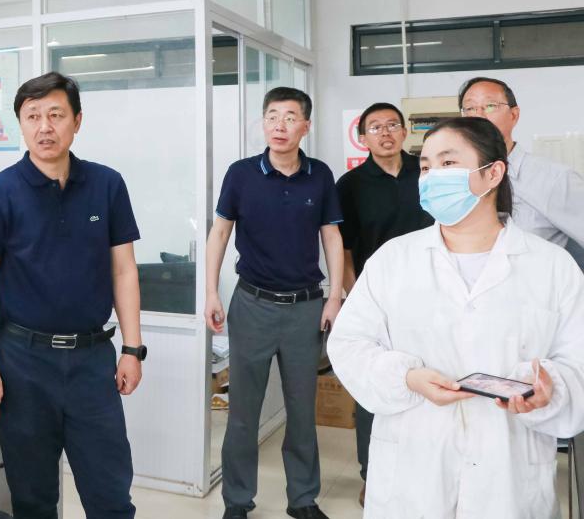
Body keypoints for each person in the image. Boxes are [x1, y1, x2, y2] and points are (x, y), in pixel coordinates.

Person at [327, 116, 584, 518]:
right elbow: (348, 345)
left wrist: (550, 390)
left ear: (493, 173)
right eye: (425, 166)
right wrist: (407, 378)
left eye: (447, 163)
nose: (431, 177)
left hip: (508, 474)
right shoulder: (394, 260)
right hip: (414, 470)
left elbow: (577, 361)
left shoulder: (551, 266)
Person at [0, 72, 145, 519]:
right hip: (22, 363)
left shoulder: (107, 185)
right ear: (20, 124)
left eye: (56, 115)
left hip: (91, 361)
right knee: (33, 499)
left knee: (111, 497)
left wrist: (132, 348)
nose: (44, 127)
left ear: (77, 121)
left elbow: (123, 270)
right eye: (33, 116)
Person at [205, 87, 344, 519]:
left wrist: (335, 296)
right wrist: (210, 291)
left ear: (305, 125)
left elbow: (332, 236)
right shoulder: (241, 174)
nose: (279, 125)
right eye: (272, 116)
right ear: (263, 123)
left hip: (306, 307)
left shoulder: (320, 175)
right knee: (242, 413)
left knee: (301, 412)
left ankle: (303, 500)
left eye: (290, 117)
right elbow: (220, 233)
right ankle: (237, 501)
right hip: (253, 304)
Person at [334, 102, 433, 505]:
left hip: (431, 294)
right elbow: (344, 249)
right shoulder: (350, 184)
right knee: (374, 383)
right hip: (377, 298)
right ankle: (371, 473)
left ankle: (425, 470)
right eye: (375, 127)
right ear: (363, 138)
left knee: (427, 378)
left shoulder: (426, 172)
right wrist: (357, 296)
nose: (386, 133)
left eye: (393, 125)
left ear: (405, 131)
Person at [458, 76, 584, 266]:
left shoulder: (555, 179)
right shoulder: (459, 178)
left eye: (490, 106)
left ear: (514, 115)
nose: (479, 115)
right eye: (470, 108)